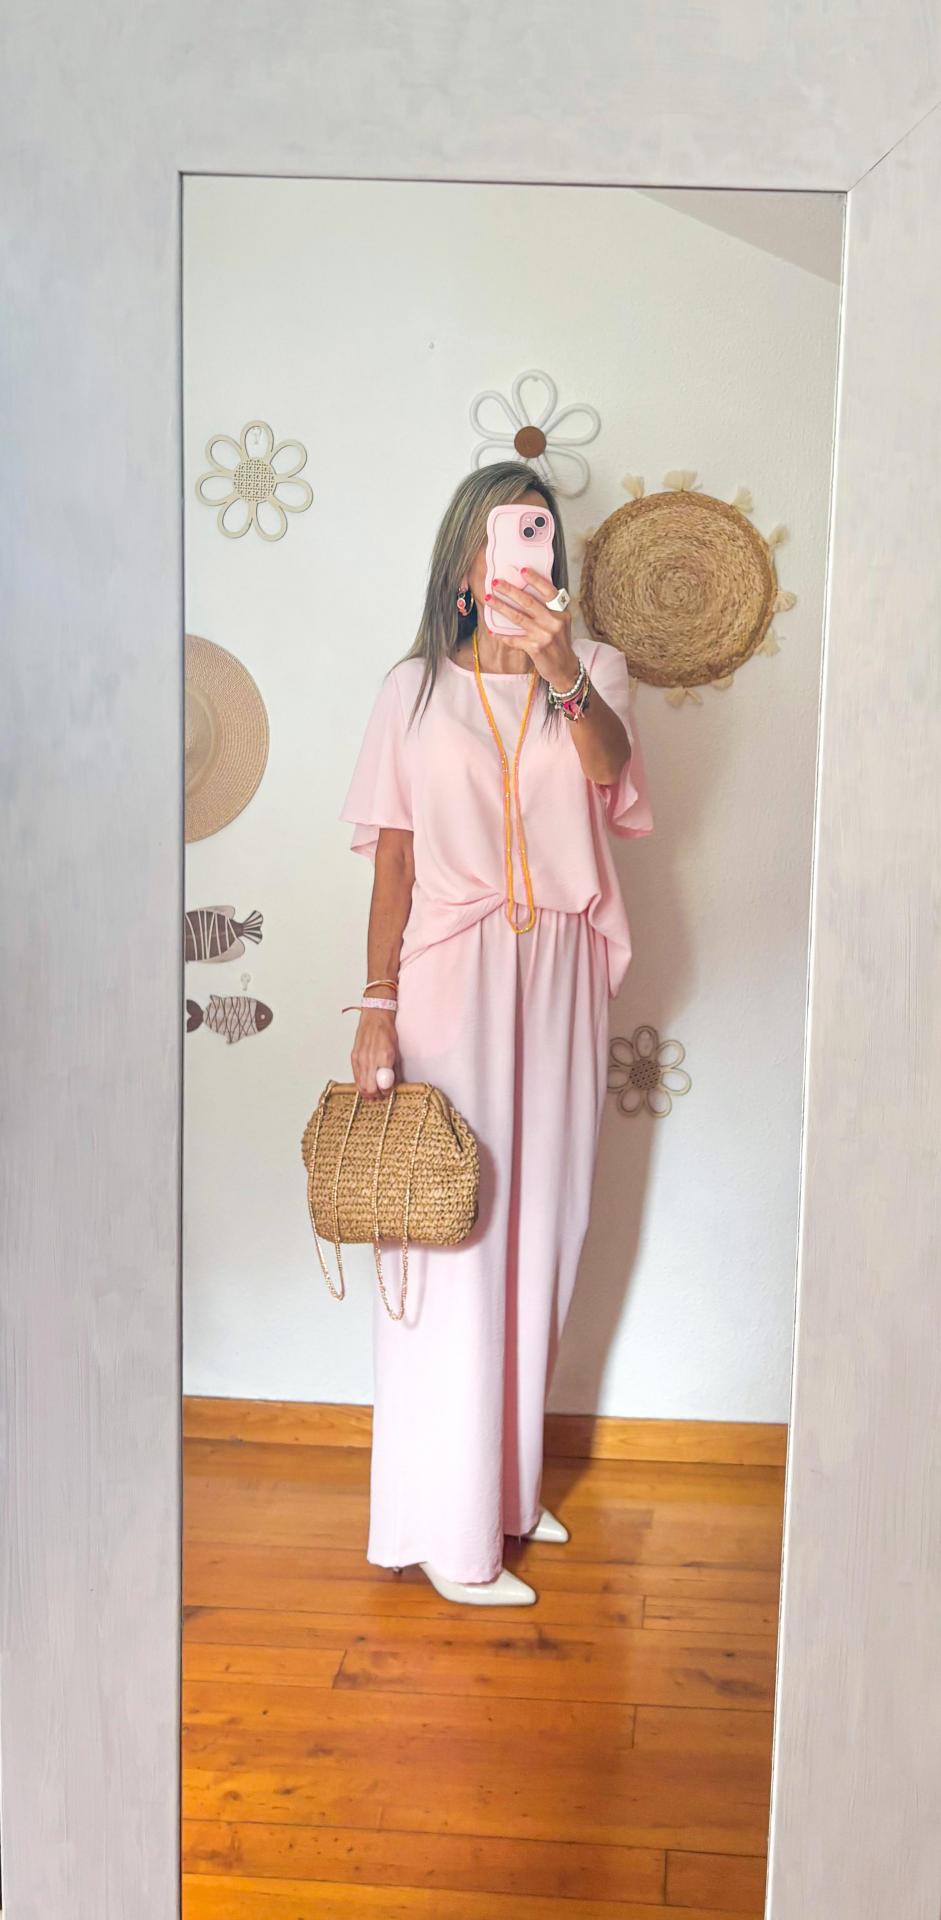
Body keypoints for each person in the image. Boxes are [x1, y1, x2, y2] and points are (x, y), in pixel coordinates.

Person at [337, 461, 653, 1606]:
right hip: (450, 978)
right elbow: (394, 862)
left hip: (560, 971)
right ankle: (443, 1527)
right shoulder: (411, 690)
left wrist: (561, 670)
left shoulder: (594, 672)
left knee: (544, 1232)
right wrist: (376, 1008)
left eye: (536, 534)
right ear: (463, 565)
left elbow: (610, 774)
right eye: (499, 535)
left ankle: (504, 1491)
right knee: (451, 1237)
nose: (521, 552)